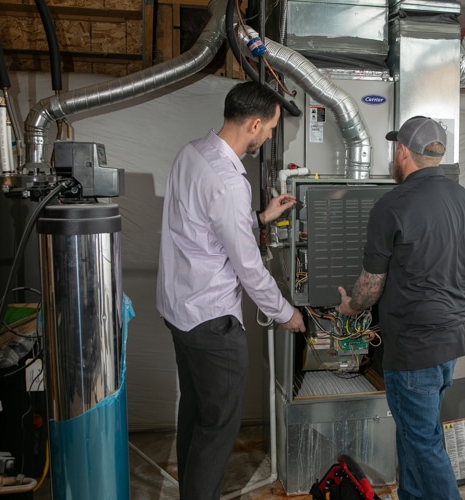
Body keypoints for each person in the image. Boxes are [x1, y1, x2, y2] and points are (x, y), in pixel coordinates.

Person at [157, 81, 306, 500]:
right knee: (217, 427)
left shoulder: (191, 154)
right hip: (211, 322)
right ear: (254, 125)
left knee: (196, 414)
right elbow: (249, 269)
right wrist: (286, 314)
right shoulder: (229, 181)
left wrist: (259, 217)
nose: (272, 135)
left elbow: (202, 229)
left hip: (179, 311)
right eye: (272, 128)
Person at [336, 116, 465, 500]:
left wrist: (348, 306)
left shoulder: (392, 205)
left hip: (412, 347)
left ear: (403, 151)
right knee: (416, 432)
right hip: (451, 341)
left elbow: (370, 288)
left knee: (423, 442)